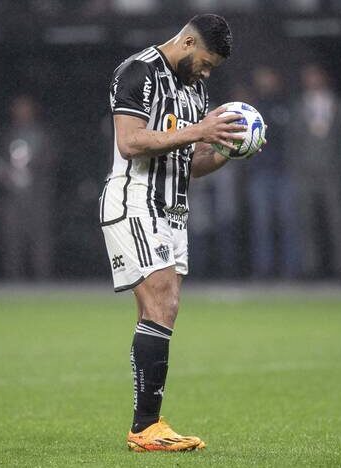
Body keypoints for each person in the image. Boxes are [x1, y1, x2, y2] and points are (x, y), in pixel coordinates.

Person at [99, 14, 260, 452]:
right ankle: (145, 427)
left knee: (160, 311)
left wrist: (226, 150)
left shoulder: (194, 89)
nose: (207, 73)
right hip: (134, 201)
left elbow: (187, 164)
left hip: (171, 210)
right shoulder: (138, 72)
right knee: (163, 300)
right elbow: (130, 142)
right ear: (187, 41)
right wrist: (202, 129)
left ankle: (146, 425)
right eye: (205, 62)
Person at [286, 64, 341, 279]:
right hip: (305, 173)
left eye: (315, 76)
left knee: (337, 221)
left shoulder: (339, 106)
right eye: (308, 77)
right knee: (307, 222)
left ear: (324, 78)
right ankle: (311, 267)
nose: (312, 81)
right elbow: (292, 141)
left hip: (332, 172)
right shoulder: (298, 106)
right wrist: (295, 169)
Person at [0, 95, 58, 279]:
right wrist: (7, 178)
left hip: (37, 196)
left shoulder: (42, 134)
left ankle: (42, 279)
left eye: (26, 108)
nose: (22, 112)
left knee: (40, 239)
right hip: (11, 197)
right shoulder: (5, 135)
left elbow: (52, 160)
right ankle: (13, 279)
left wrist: (33, 172)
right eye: (19, 108)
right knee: (12, 239)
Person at [246, 66, 298, 279]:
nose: (266, 83)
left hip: (285, 171)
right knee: (262, 224)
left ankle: (291, 270)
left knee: (288, 222)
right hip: (260, 171)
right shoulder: (252, 108)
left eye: (269, 79)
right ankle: (263, 269)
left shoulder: (287, 105)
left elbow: (295, 139)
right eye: (262, 79)